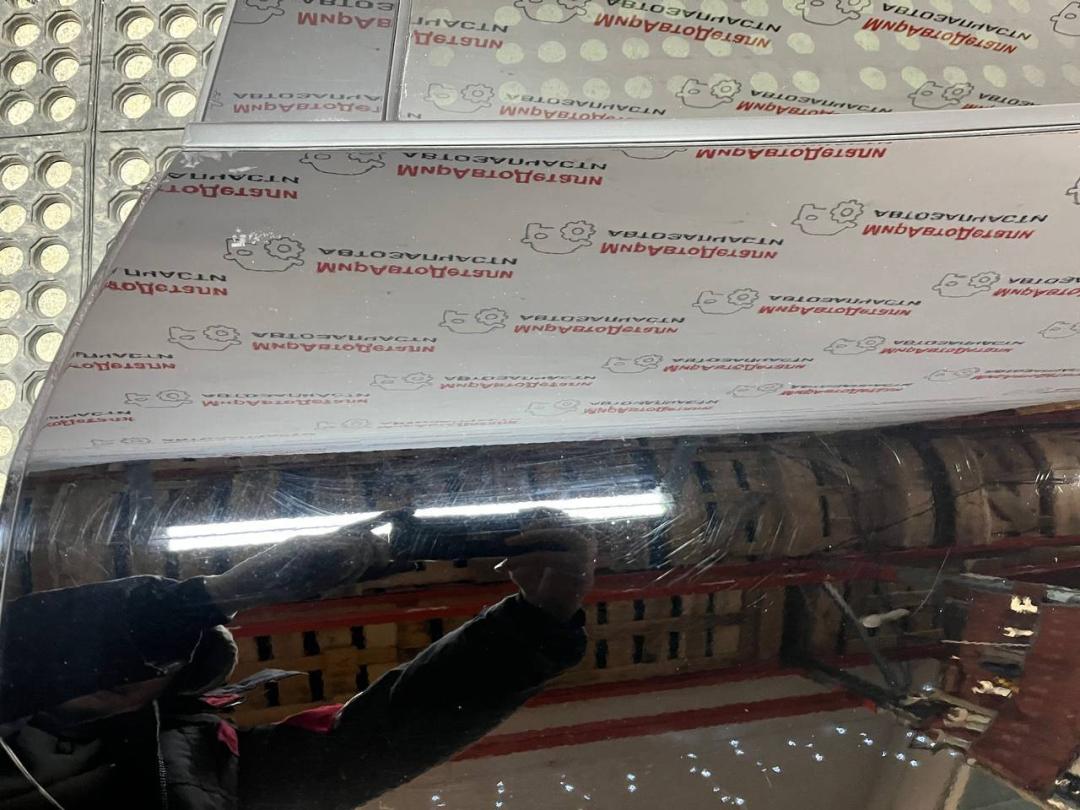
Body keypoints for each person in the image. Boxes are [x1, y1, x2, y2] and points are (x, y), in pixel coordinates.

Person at [0, 512, 596, 809]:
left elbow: (377, 739)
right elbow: (27, 644)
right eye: (133, 656)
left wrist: (536, 625)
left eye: (159, 670)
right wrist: (221, 594)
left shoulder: (206, 763)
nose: (132, 675)